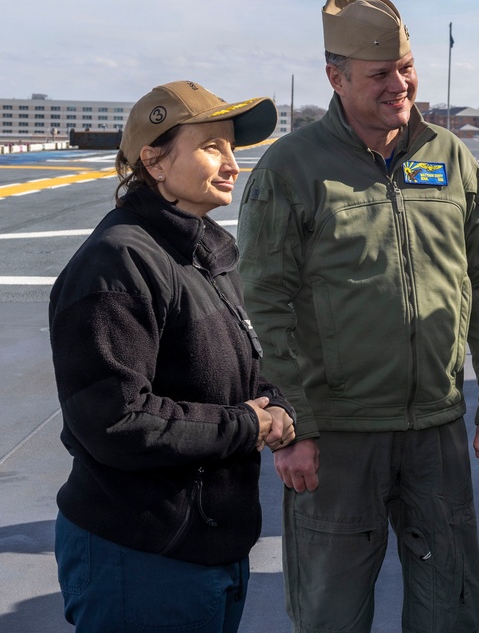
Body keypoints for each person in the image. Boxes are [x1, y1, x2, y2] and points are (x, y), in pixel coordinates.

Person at [236, 0, 479, 633]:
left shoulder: (450, 156)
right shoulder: (291, 169)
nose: (400, 85)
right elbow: (266, 305)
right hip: (339, 433)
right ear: (335, 78)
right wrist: (294, 427)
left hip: (436, 429)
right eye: (380, 73)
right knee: (331, 613)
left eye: (407, 68)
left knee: (451, 610)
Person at [49, 80, 295, 632]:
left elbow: (238, 366)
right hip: (142, 556)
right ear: (154, 161)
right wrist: (246, 425)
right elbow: (115, 421)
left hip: (207, 547)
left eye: (232, 148)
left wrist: (275, 404)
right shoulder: (117, 263)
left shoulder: (201, 252)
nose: (232, 164)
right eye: (212, 147)